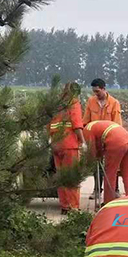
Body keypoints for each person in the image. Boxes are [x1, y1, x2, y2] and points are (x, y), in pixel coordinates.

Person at [48, 82, 86, 214]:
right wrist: (83, 141)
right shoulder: (73, 102)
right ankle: (73, 207)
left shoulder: (57, 104)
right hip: (70, 145)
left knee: (61, 176)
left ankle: (64, 206)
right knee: (72, 177)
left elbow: (49, 125)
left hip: (56, 145)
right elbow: (76, 124)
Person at [83, 78, 123, 197]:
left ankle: (114, 189)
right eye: (94, 92)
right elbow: (86, 120)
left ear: (104, 89)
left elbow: (117, 123)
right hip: (95, 138)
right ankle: (97, 190)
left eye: (98, 92)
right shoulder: (91, 101)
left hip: (110, 138)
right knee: (97, 165)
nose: (96, 94)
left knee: (112, 164)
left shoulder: (114, 103)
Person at [83, 119, 128, 204]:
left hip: (116, 142)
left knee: (110, 173)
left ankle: (108, 201)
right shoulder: (95, 124)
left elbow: (91, 150)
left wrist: (90, 161)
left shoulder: (87, 129)